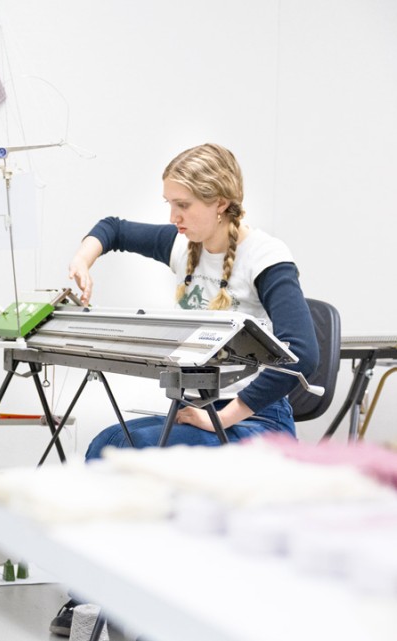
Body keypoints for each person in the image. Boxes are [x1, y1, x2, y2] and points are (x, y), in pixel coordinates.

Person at [50, 143, 319, 636]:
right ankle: (96, 596)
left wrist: (231, 413)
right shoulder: (183, 245)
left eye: (183, 205)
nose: (172, 216)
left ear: (219, 202)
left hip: (257, 425)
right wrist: (82, 261)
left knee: (120, 451)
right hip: (203, 412)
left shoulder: (266, 257)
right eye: (168, 204)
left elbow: (302, 353)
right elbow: (111, 228)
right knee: (108, 445)